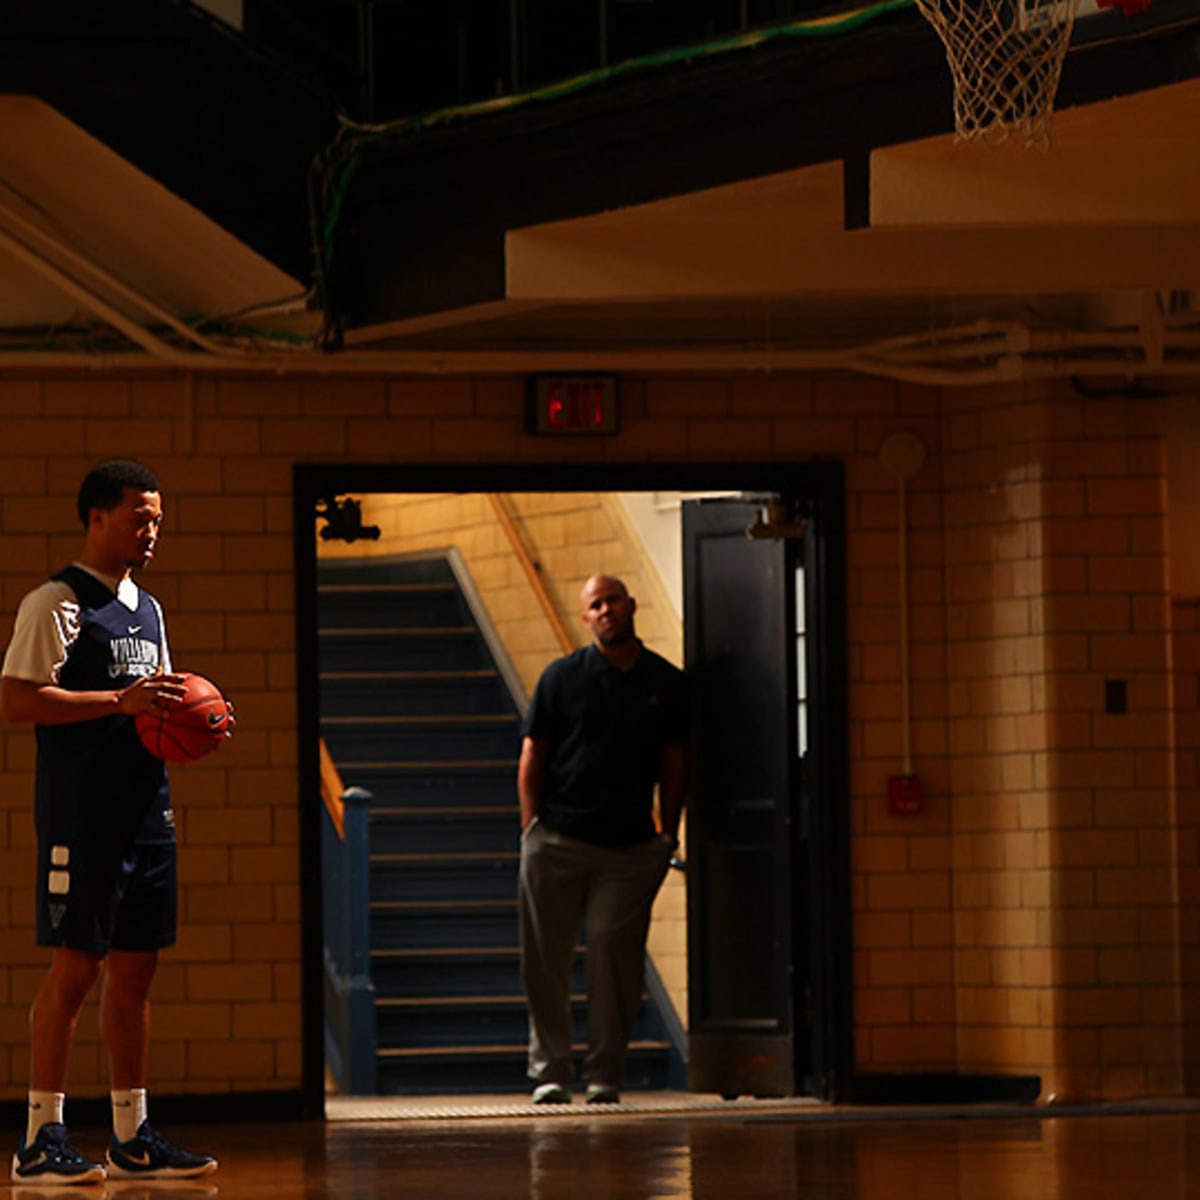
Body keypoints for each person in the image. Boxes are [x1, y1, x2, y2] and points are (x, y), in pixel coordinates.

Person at [1, 459, 219, 1185]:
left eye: (157, 518)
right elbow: (17, 699)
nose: (151, 530)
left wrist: (195, 719)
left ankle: (132, 1135)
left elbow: (154, 708)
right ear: (97, 517)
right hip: (80, 814)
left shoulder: (149, 608)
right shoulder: (57, 603)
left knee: (136, 971)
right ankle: (41, 1137)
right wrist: (116, 701)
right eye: (139, 517)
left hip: (145, 812)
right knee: (75, 969)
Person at [517, 574, 687, 1105]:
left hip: (630, 848)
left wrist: (668, 831)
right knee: (546, 956)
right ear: (586, 618)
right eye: (595, 604)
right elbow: (533, 755)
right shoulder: (562, 677)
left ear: (631, 605)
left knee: (615, 955)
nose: (606, 609)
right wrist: (531, 828)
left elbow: (676, 762)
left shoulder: (666, 681)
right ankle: (551, 1072)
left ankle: (605, 1075)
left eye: (612, 599)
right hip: (558, 839)